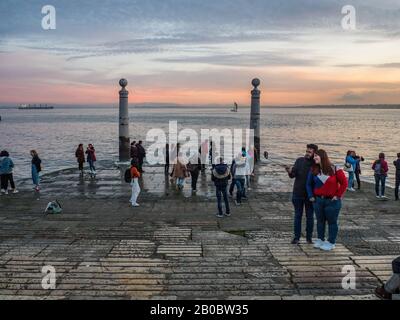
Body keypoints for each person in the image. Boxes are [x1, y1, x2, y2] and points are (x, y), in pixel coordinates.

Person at [307, 149, 348, 251]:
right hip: (318, 201)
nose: (314, 158)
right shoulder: (313, 169)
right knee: (320, 221)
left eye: (316, 156)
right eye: (314, 156)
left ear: (323, 156)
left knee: (332, 222)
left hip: (332, 202)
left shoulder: (335, 169)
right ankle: (320, 239)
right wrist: (311, 196)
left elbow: (344, 183)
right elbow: (308, 184)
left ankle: (331, 242)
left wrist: (338, 196)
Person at [286, 144, 318, 245]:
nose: (307, 153)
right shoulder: (299, 160)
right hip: (297, 193)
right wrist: (289, 171)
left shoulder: (316, 164)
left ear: (314, 154)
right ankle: (296, 237)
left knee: (310, 217)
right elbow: (292, 175)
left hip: (310, 196)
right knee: (297, 216)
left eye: (309, 152)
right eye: (306, 151)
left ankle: (309, 238)